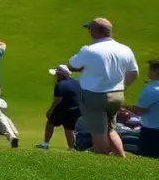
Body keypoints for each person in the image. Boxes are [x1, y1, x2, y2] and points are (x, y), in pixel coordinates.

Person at [67, 17, 138, 157]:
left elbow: (72, 65)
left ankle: (102, 159)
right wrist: (123, 86)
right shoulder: (125, 49)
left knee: (98, 131)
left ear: (94, 32)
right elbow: (133, 72)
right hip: (117, 94)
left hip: (95, 95)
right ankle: (121, 158)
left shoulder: (90, 50)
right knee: (110, 129)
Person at [37, 65, 81, 151]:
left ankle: (45, 144)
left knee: (50, 122)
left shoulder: (59, 84)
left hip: (63, 109)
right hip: (75, 109)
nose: (55, 76)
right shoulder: (76, 82)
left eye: (56, 74)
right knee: (69, 128)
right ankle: (71, 148)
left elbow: (58, 99)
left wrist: (51, 110)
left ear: (61, 75)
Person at [127, 58, 159, 159]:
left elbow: (139, 110)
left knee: (148, 158)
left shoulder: (152, 90)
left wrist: (126, 107)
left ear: (156, 71)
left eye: (149, 69)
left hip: (152, 133)